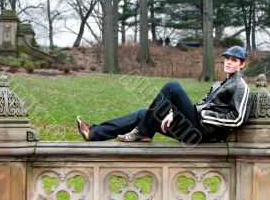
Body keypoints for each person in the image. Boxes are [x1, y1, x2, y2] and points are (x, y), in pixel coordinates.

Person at [76, 46, 252, 143]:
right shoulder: (219, 84)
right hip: (194, 127)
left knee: (172, 87)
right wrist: (173, 113)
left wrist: (206, 115)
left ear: (242, 64)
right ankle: (94, 133)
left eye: (234, 60)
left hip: (204, 133)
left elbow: (238, 118)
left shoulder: (240, 86)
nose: (228, 62)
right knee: (144, 114)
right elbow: (202, 104)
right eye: (227, 59)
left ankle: (144, 132)